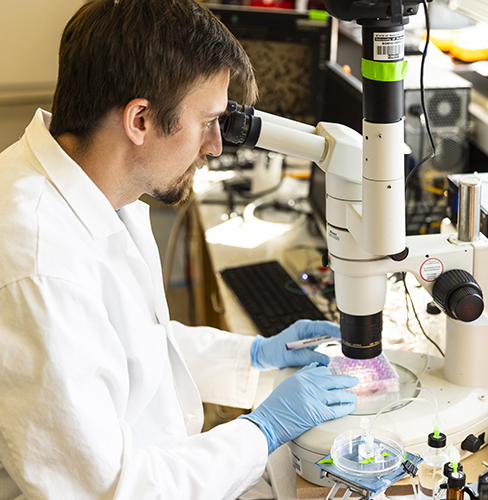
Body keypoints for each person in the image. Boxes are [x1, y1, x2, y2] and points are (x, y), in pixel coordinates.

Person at [0, 0, 358, 498]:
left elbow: (130, 347)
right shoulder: (39, 265)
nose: (214, 145)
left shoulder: (94, 188)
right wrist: (264, 429)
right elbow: (109, 491)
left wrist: (254, 356)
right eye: (207, 120)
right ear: (140, 120)